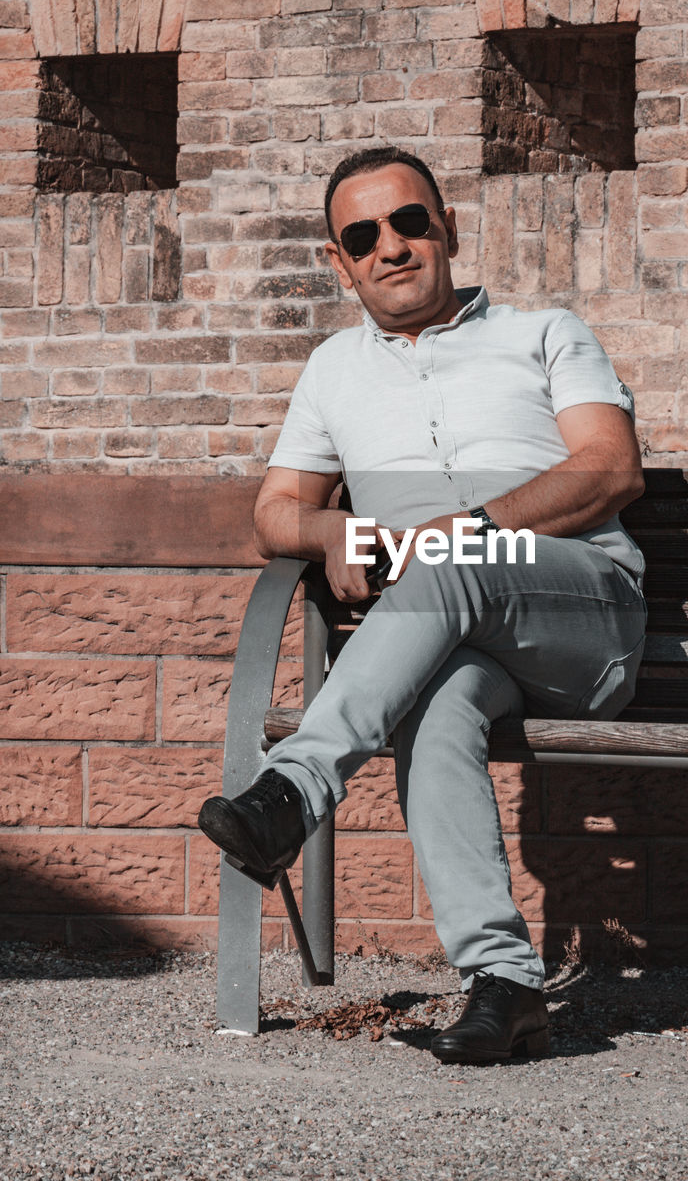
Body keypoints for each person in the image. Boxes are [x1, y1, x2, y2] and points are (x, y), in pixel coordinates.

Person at [198, 146, 647, 1064]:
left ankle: (295, 791)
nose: (391, 247)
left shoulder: (546, 331)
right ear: (339, 260)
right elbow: (274, 510)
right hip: (456, 645)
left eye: (409, 222)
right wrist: (329, 536)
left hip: (580, 613)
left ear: (446, 228)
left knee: (452, 555)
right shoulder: (332, 371)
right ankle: (504, 984)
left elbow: (609, 468)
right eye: (363, 236)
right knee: (434, 709)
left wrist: (466, 526)